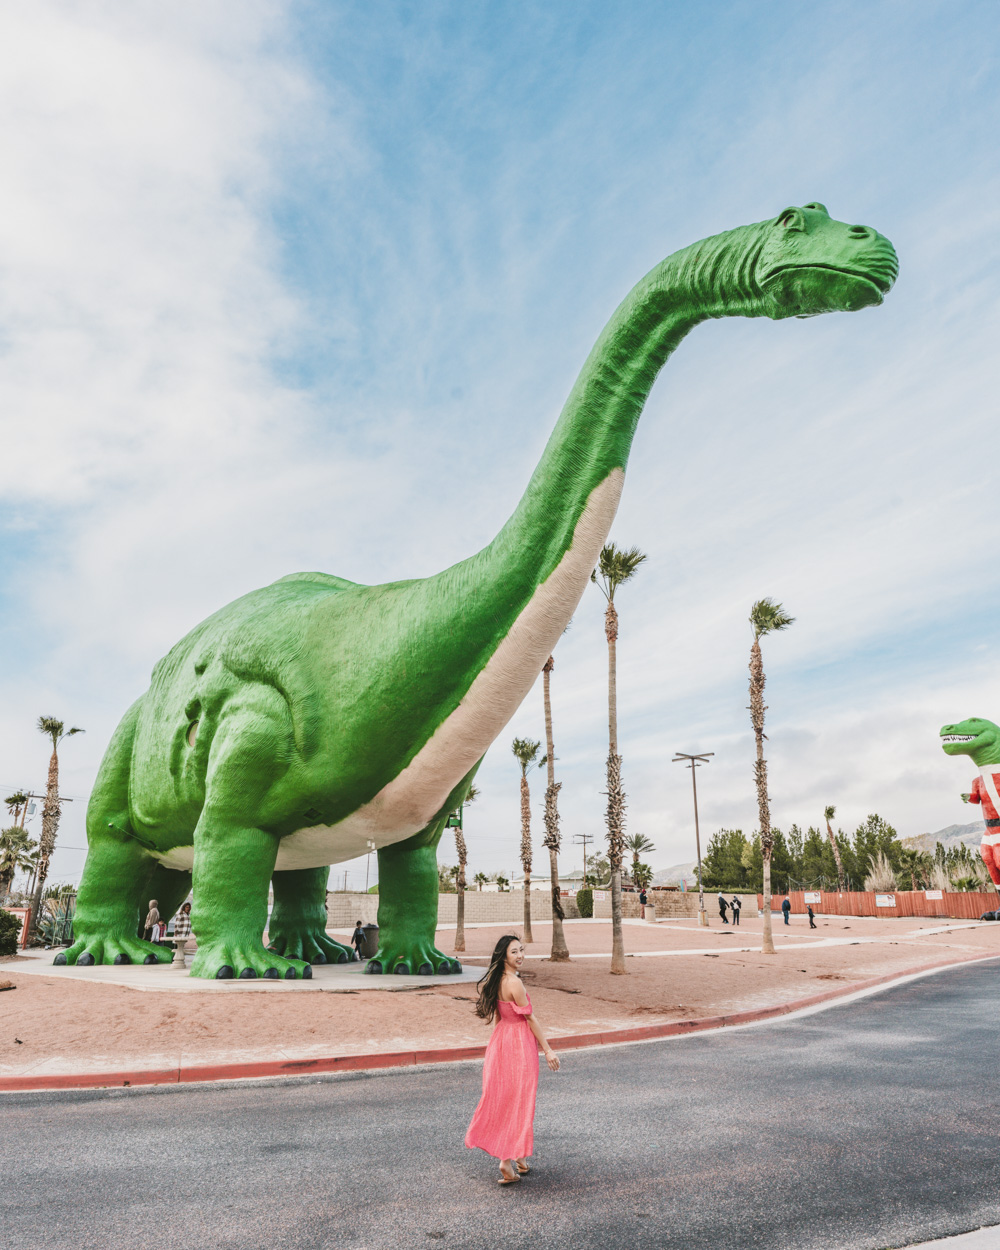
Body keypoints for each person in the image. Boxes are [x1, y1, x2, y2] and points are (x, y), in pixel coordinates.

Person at [466, 934, 560, 1184]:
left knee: (506, 1099)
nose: (520, 956)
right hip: (519, 1044)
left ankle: (520, 1157)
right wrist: (548, 1049)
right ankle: (506, 1162)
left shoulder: (496, 980)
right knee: (520, 1101)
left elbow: (500, 1017)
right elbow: (530, 1019)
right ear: (504, 956)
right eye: (514, 952)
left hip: (500, 1041)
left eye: (521, 950)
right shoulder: (515, 984)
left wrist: (497, 1046)